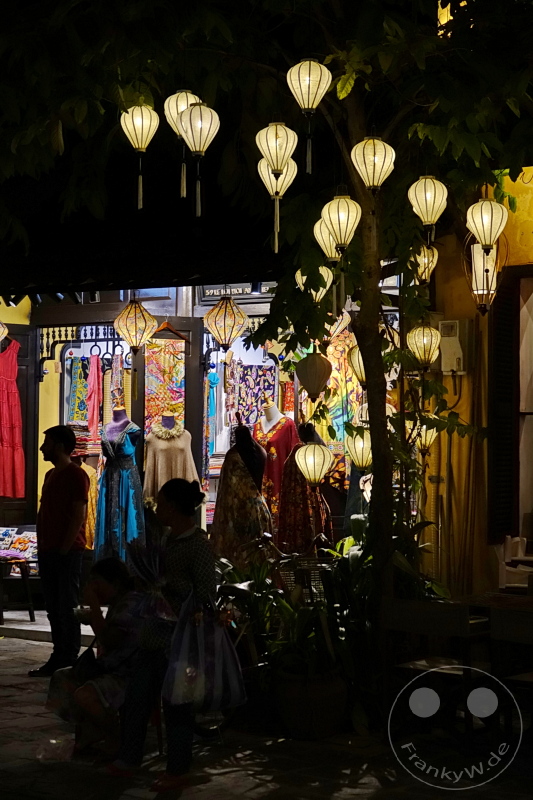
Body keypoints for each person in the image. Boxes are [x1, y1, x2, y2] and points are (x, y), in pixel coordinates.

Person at [109, 479, 216, 793]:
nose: (158, 508)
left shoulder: (198, 544)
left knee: (176, 704)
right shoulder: (165, 539)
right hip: (152, 633)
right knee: (138, 696)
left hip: (179, 638)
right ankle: (130, 757)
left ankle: (178, 769)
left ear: (175, 506)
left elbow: (206, 593)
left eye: (163, 502)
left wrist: (169, 589)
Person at [46, 557, 143, 755]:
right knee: (62, 678)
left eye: (97, 582)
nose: (93, 587)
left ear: (114, 583)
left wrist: (94, 608)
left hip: (128, 673)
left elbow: (108, 639)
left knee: (85, 695)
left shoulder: (131, 604)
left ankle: (115, 737)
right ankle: (92, 729)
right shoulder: (118, 602)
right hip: (111, 667)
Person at [29, 426, 90, 677]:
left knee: (67, 605)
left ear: (60, 446)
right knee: (53, 606)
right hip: (48, 549)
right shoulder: (51, 474)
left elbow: (79, 514)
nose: (43, 447)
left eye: (48, 442)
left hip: (67, 551)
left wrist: (64, 548)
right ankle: (58, 653)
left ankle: (69, 656)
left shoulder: (76, 475)